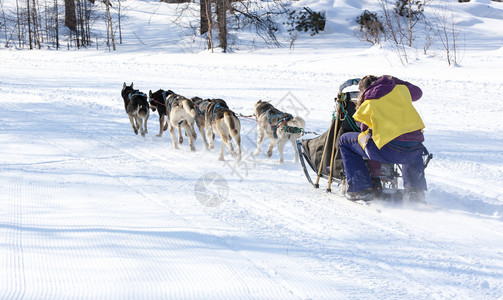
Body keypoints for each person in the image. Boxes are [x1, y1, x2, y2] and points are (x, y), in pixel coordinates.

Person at [339, 75, 427, 201]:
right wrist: (394, 80)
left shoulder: (368, 103)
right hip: (414, 150)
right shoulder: (400, 90)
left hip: (388, 150)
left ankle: (361, 188)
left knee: (344, 141)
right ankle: (415, 191)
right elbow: (418, 92)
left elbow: (366, 136)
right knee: (411, 143)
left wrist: (374, 173)